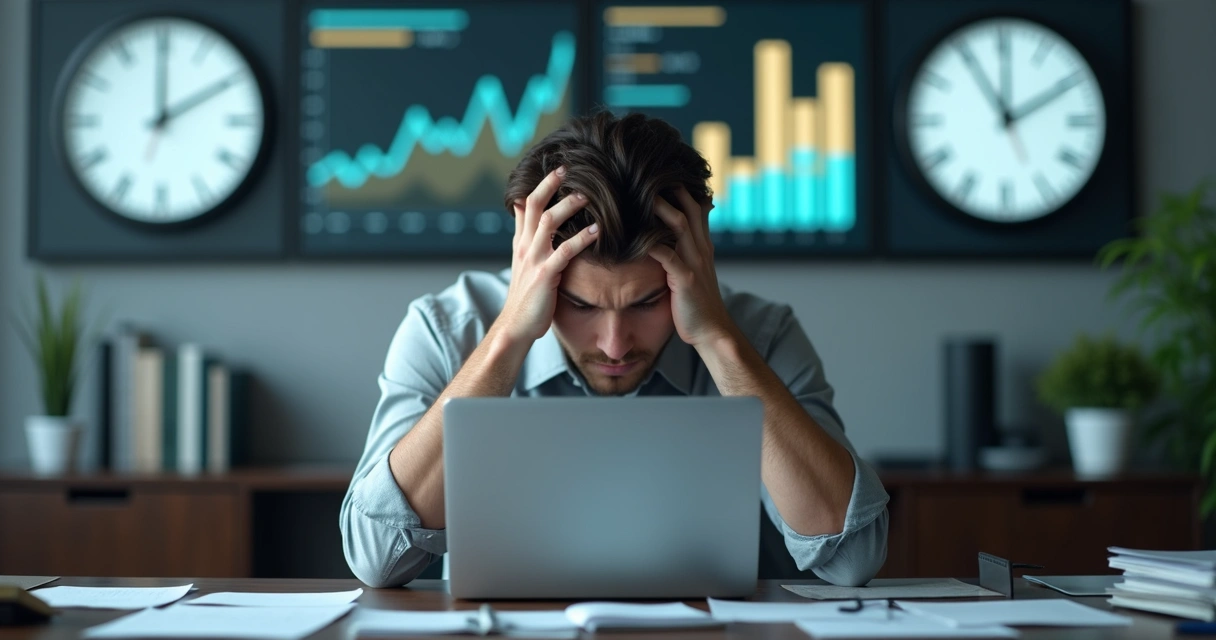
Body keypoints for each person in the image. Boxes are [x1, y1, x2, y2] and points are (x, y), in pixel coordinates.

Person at [340, 111, 889, 588]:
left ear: (696, 257)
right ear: (527, 253)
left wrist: (719, 341)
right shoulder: (445, 329)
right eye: (580, 306)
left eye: (648, 302)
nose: (614, 344)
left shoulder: (760, 335)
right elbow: (376, 557)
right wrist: (508, 337)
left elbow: (852, 560)